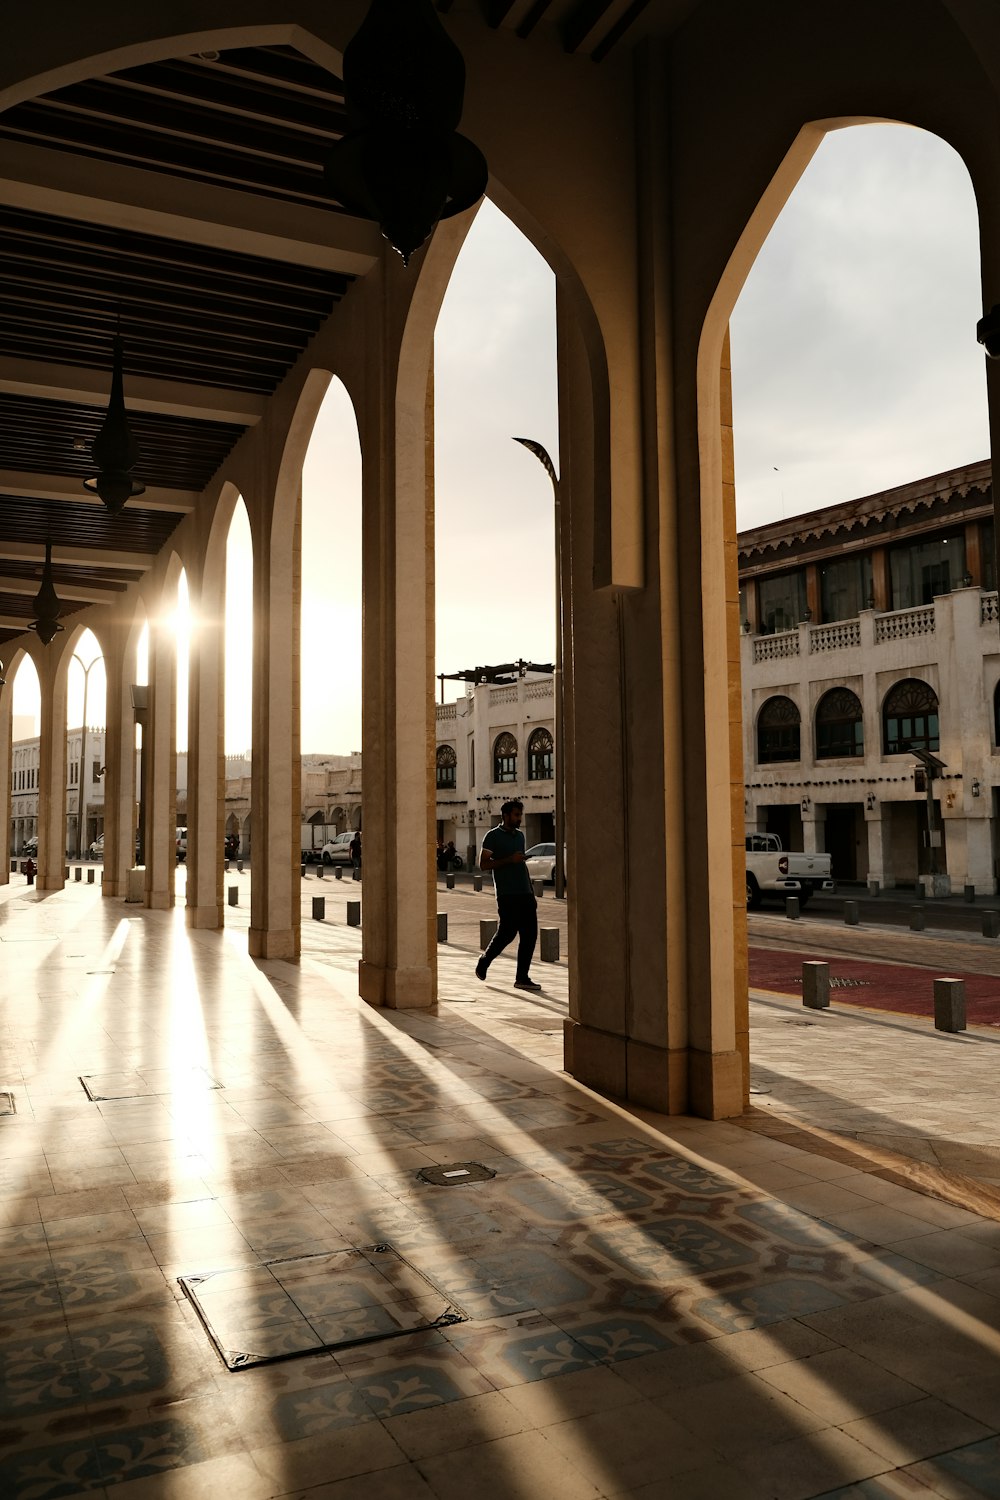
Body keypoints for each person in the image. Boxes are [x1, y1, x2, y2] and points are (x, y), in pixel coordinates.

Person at [476, 798, 540, 990]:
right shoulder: (492, 836)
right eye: (516, 815)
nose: (519, 819)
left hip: (525, 893)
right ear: (505, 816)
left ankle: (522, 977)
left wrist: (531, 891)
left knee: (530, 935)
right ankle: (485, 960)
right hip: (507, 894)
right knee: (507, 933)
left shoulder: (520, 836)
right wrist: (509, 860)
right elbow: (484, 864)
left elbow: (519, 863)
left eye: (520, 815)